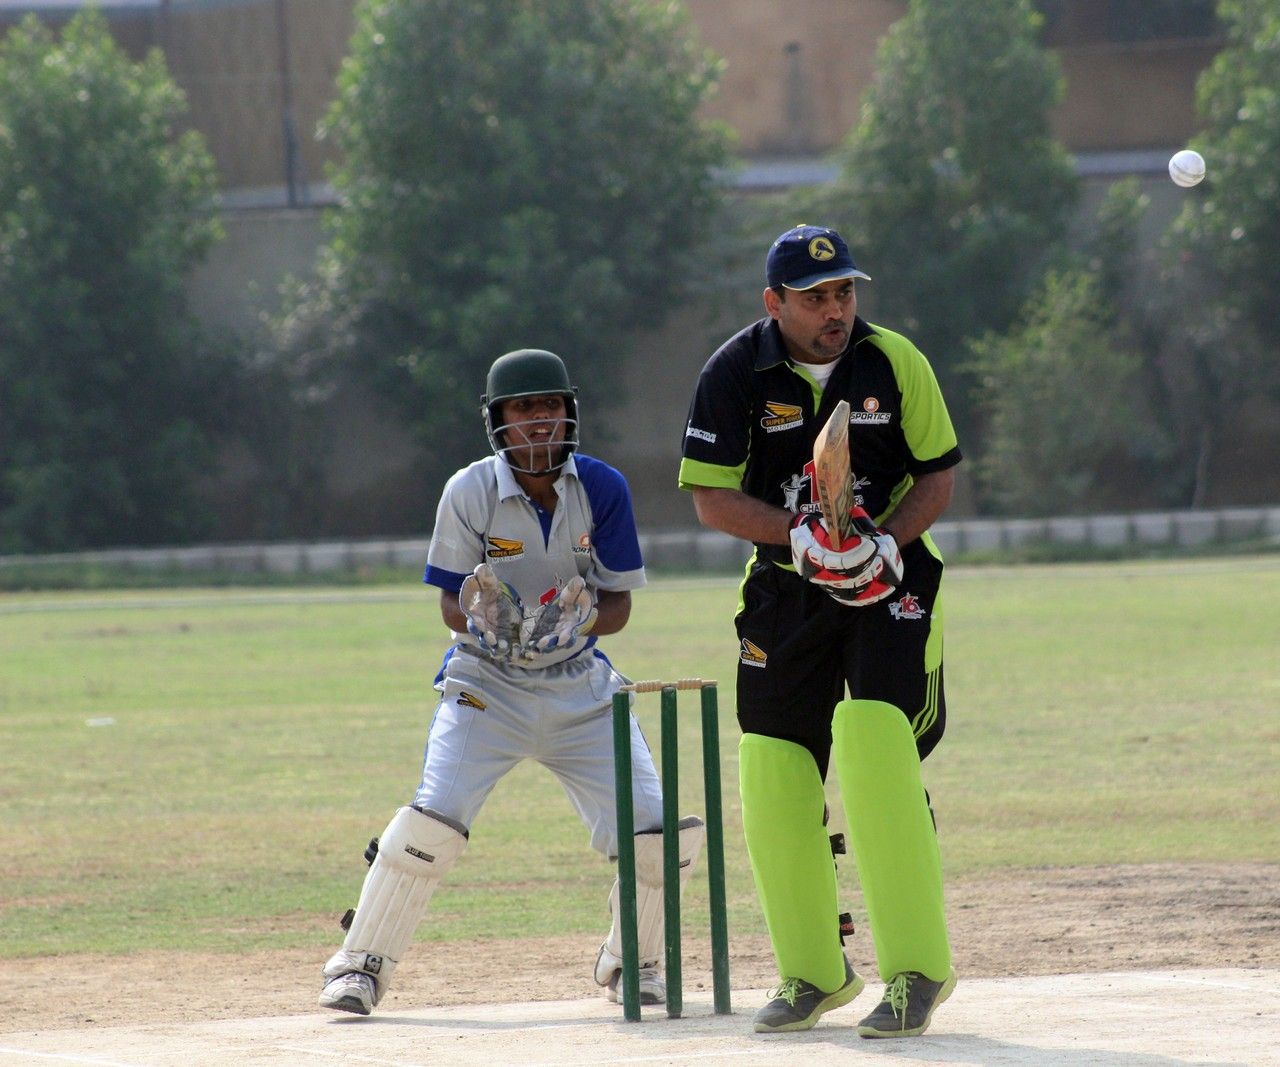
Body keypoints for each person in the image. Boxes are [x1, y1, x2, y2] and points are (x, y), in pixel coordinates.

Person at [320, 348, 703, 1016]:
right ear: (499, 420)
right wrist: (488, 622)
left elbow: (618, 604)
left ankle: (635, 960)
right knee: (433, 819)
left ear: (570, 412)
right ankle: (359, 966)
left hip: (579, 686)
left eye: (551, 405)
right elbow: (450, 599)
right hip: (485, 684)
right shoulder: (469, 491)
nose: (539, 419)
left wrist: (579, 625)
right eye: (524, 408)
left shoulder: (602, 486)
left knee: (655, 831)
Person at [677, 225, 960, 1038]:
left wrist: (885, 541)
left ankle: (916, 970)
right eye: (815, 298)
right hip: (784, 587)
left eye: (844, 293)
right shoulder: (734, 371)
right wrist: (795, 537)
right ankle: (813, 970)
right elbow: (710, 497)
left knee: (873, 746)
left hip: (890, 579)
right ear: (775, 303)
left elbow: (938, 474)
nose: (835, 310)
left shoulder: (894, 360)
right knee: (771, 765)